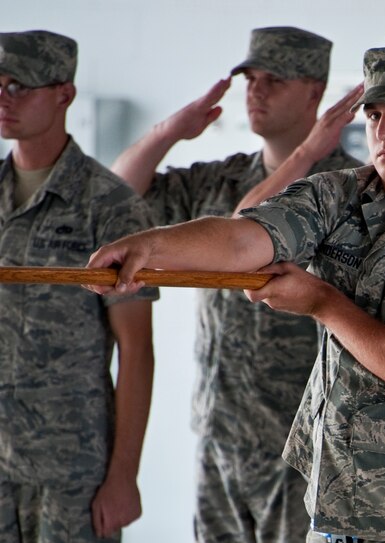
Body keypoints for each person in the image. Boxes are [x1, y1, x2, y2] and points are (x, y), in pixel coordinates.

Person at [87, 38, 385, 542]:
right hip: (337, 512)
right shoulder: (340, 193)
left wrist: (321, 302)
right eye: (376, 113)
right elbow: (241, 240)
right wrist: (153, 246)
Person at [110, 26, 362, 542]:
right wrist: (167, 132)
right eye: (250, 78)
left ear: (315, 92)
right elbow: (116, 196)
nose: (257, 91)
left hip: (300, 440)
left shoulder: (347, 190)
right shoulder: (222, 177)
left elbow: (247, 224)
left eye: (275, 79)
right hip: (220, 429)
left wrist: (307, 157)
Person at [0, 30, 157, 542]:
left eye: (19, 85)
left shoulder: (109, 205)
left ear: (64, 93)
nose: (5, 98)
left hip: (72, 468)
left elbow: (136, 352)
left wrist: (123, 476)